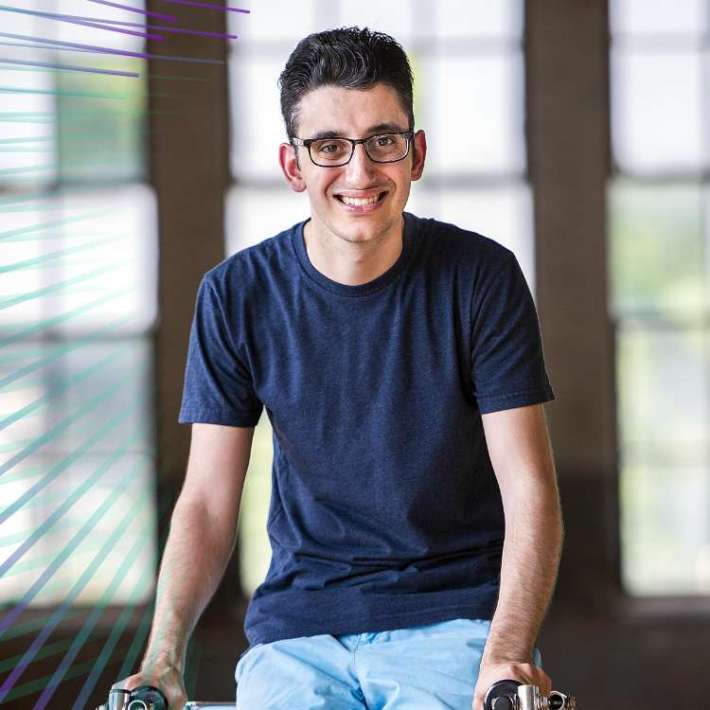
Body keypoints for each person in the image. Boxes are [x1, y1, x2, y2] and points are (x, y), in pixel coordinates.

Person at [114, 26, 563, 710]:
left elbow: (530, 491)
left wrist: (505, 654)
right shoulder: (237, 295)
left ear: (415, 154)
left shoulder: (481, 278)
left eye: (383, 140)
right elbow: (206, 501)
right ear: (294, 166)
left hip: (455, 622)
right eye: (329, 147)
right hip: (298, 633)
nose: (360, 172)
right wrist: (161, 659)